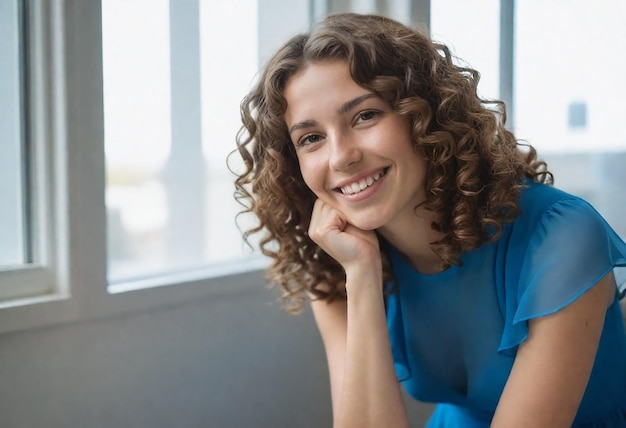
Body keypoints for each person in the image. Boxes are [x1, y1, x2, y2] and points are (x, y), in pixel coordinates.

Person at [231, 12, 626, 428]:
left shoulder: (562, 235)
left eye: (365, 116)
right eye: (311, 138)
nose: (341, 156)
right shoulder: (336, 265)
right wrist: (361, 276)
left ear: (425, 116)